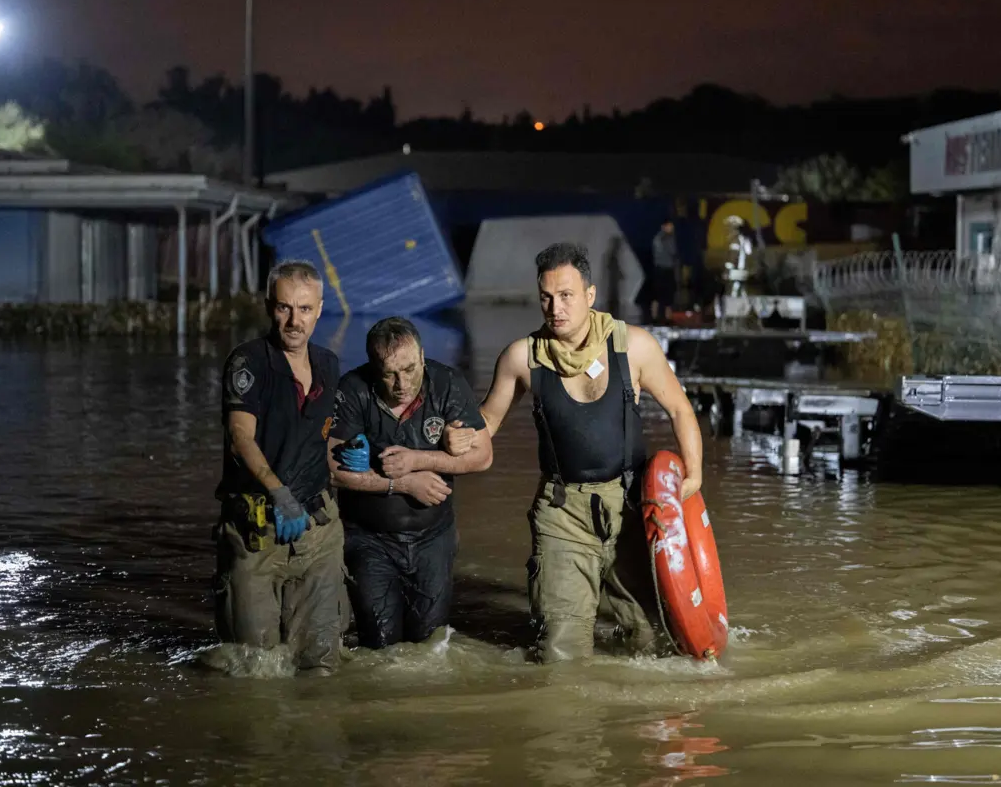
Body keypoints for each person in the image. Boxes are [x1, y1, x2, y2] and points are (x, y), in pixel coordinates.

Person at [446, 242, 703, 663]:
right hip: (561, 511)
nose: (555, 307)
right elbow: (487, 422)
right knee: (560, 652)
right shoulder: (521, 357)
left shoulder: (634, 346)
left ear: (590, 294)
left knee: (648, 643)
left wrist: (693, 477)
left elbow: (679, 407)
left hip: (631, 508)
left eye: (566, 295)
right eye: (546, 296)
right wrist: (460, 438)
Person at [327, 317, 493, 649]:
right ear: (374, 368)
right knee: (380, 645)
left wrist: (419, 460)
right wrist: (400, 485)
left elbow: (484, 457)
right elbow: (329, 469)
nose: (403, 383)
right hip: (369, 540)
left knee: (430, 645)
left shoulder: (446, 384)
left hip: (434, 538)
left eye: (410, 369)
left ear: (422, 355)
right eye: (390, 374)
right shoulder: (352, 389)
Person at [214, 260, 345, 676]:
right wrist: (279, 493)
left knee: (322, 664)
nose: (294, 320)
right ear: (270, 306)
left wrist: (354, 451)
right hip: (257, 533)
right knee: (256, 669)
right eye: (285, 307)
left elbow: (324, 437)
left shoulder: (328, 365)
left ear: (320, 309)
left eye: (305, 309)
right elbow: (241, 438)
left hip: (319, 531)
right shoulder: (248, 363)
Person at [651, 219, 681, 323]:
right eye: (669, 226)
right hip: (665, 269)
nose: (671, 228)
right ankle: (666, 317)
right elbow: (673, 251)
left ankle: (657, 316)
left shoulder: (657, 238)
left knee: (659, 294)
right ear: (664, 227)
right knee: (665, 294)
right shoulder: (665, 239)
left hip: (660, 269)